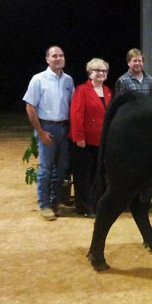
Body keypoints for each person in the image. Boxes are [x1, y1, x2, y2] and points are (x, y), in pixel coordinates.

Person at [23, 46, 75, 221]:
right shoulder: (38, 79)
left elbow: (72, 106)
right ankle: (44, 204)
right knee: (46, 169)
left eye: (61, 55)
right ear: (47, 59)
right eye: (54, 56)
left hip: (63, 128)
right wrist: (40, 131)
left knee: (60, 169)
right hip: (47, 128)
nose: (58, 58)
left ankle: (55, 201)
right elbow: (30, 106)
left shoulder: (68, 80)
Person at [69, 58, 113, 218]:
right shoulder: (81, 90)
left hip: (100, 141)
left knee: (97, 174)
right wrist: (79, 137)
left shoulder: (108, 91)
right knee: (83, 175)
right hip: (84, 142)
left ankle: (95, 204)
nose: (101, 73)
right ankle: (84, 207)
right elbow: (76, 114)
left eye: (103, 71)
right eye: (97, 71)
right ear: (90, 73)